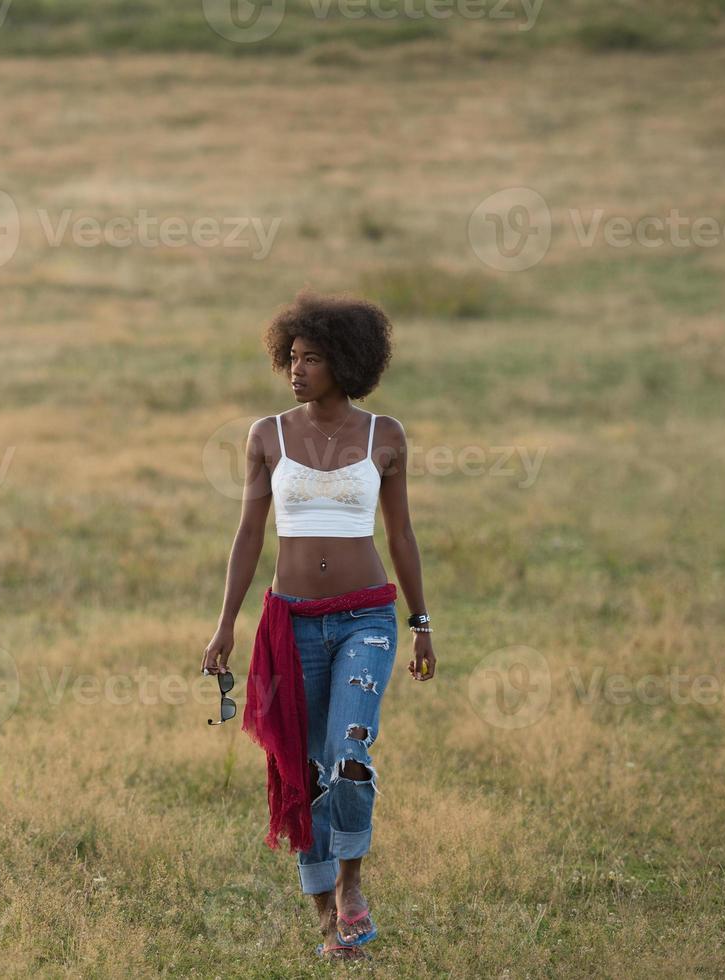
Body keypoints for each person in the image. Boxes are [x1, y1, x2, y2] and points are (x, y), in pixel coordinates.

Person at [202, 288, 437, 962]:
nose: (296, 370)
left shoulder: (384, 436)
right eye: (292, 358)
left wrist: (419, 620)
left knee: (350, 757)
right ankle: (328, 929)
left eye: (311, 359)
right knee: (302, 770)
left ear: (346, 361)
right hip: (291, 623)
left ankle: (352, 882)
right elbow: (248, 535)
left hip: (367, 616)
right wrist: (226, 626)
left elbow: (402, 534)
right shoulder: (267, 435)